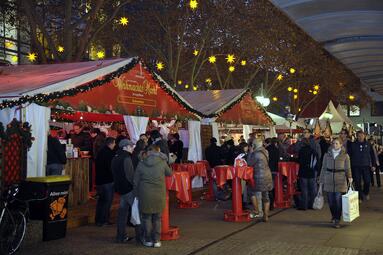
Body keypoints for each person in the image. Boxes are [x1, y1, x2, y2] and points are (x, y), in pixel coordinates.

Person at [133, 145, 172, 248]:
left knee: (146, 218)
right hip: (159, 194)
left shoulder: (141, 163)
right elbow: (169, 173)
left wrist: (136, 194)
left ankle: (148, 239)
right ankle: (157, 240)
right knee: (157, 218)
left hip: (145, 194)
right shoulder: (162, 162)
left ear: (148, 152)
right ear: (158, 152)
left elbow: (135, 181)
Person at [319, 138, 352, 228]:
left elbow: (348, 168)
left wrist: (349, 177)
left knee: (338, 200)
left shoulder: (345, 156)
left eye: (337, 143)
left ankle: (337, 219)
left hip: (340, 180)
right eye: (333, 143)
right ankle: (333, 215)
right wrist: (321, 180)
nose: (335, 145)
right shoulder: (327, 155)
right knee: (330, 201)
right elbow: (323, 167)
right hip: (329, 179)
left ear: (341, 145)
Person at [111, 139, 136, 243]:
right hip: (128, 189)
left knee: (122, 213)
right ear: (125, 147)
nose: (132, 148)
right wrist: (135, 186)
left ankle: (121, 236)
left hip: (120, 189)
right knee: (138, 212)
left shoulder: (115, 157)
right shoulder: (126, 158)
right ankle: (142, 236)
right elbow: (130, 176)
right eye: (130, 146)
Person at [247, 138, 273, 222]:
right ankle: (266, 216)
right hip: (267, 175)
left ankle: (256, 210)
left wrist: (250, 152)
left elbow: (249, 163)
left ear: (254, 145)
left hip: (258, 176)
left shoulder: (255, 154)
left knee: (251, 192)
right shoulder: (266, 151)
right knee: (266, 197)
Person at [348, 131, 377, 201]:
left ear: (364, 136)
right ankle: (360, 197)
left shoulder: (368, 144)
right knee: (357, 182)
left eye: (362, 135)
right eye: (359, 136)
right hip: (356, 166)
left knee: (367, 181)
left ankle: (366, 192)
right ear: (356, 136)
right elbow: (349, 156)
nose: (360, 137)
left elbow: (372, 155)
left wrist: (373, 165)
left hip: (366, 166)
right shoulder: (353, 144)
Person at [95, 137, 116, 226]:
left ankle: (98, 219)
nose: (115, 145)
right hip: (107, 180)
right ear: (111, 143)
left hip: (100, 180)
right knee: (107, 201)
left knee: (101, 200)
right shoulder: (109, 153)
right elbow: (110, 167)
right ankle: (104, 220)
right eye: (114, 143)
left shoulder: (101, 152)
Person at [297, 138, 318, 210]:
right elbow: (317, 161)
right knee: (312, 189)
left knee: (304, 189)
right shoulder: (313, 151)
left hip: (303, 172)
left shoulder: (301, 151)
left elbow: (299, 160)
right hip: (311, 172)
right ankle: (312, 204)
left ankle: (304, 205)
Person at [265, 138, 279, 210]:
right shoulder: (276, 149)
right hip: (275, 170)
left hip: (268, 170)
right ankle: (272, 203)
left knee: (267, 187)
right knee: (272, 187)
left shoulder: (266, 149)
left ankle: (268, 204)